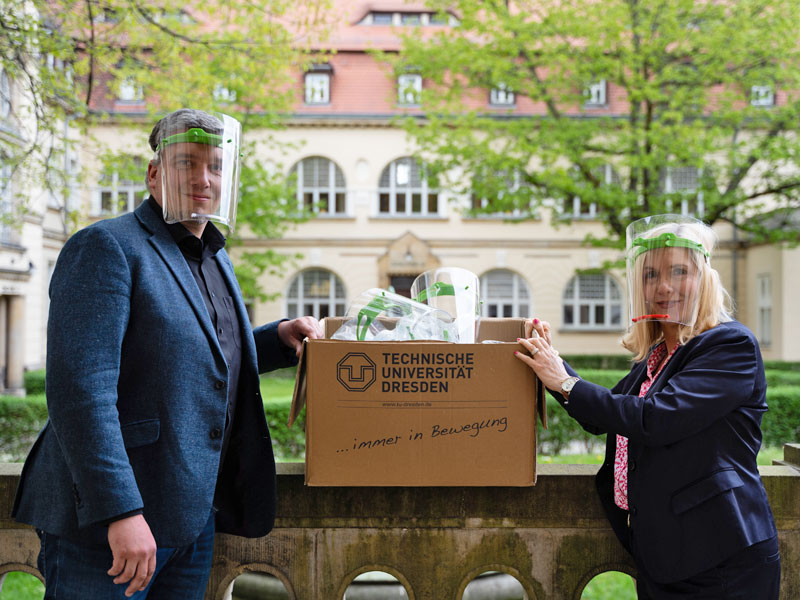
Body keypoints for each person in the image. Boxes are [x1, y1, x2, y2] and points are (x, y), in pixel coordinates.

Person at [12, 108, 323, 599]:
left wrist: (277, 337)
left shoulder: (215, 255)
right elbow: (80, 395)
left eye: (216, 166)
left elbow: (195, 357)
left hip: (190, 520)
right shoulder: (105, 247)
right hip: (110, 527)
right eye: (186, 163)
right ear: (154, 175)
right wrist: (121, 512)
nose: (203, 178)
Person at [515, 214, 780, 599]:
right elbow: (601, 414)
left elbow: (655, 420)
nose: (664, 286)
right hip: (666, 552)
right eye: (650, 274)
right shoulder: (658, 355)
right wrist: (550, 360)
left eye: (679, 271)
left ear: (705, 278)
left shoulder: (730, 345)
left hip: (721, 560)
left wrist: (564, 380)